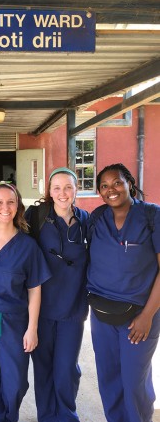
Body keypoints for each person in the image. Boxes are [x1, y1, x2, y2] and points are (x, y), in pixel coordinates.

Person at [0, 181, 51, 422]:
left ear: (18, 207)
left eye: (11, 202)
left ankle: (9, 416)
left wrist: (32, 328)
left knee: (15, 384)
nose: (5, 207)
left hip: (14, 325)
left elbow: (35, 288)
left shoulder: (28, 246)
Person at [87, 163, 160, 422]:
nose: (112, 190)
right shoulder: (96, 218)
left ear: (129, 182)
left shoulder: (152, 216)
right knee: (109, 380)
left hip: (139, 316)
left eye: (117, 182)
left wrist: (148, 315)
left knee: (133, 382)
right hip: (102, 314)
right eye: (104, 186)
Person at [25, 167, 89, 422]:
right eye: (57, 188)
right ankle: (46, 416)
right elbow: (6, 227)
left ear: (76, 190)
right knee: (43, 370)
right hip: (40, 309)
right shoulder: (36, 216)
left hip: (73, 309)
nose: (63, 193)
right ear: (49, 191)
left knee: (65, 370)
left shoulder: (86, 221)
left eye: (68, 187)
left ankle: (66, 416)